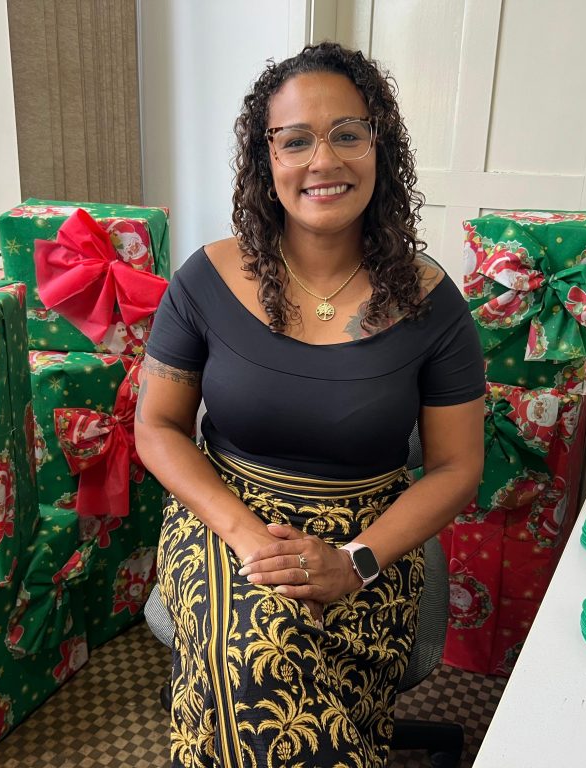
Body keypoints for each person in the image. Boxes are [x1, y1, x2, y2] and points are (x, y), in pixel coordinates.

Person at [136, 41, 485, 768]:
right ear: (266, 159)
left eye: (347, 134)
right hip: (227, 516)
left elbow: (457, 469)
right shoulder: (204, 280)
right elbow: (158, 427)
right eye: (295, 140)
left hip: (369, 536)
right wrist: (247, 537)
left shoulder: (434, 303)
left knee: (268, 655)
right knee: (258, 647)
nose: (323, 161)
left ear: (379, 147)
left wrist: (354, 564)